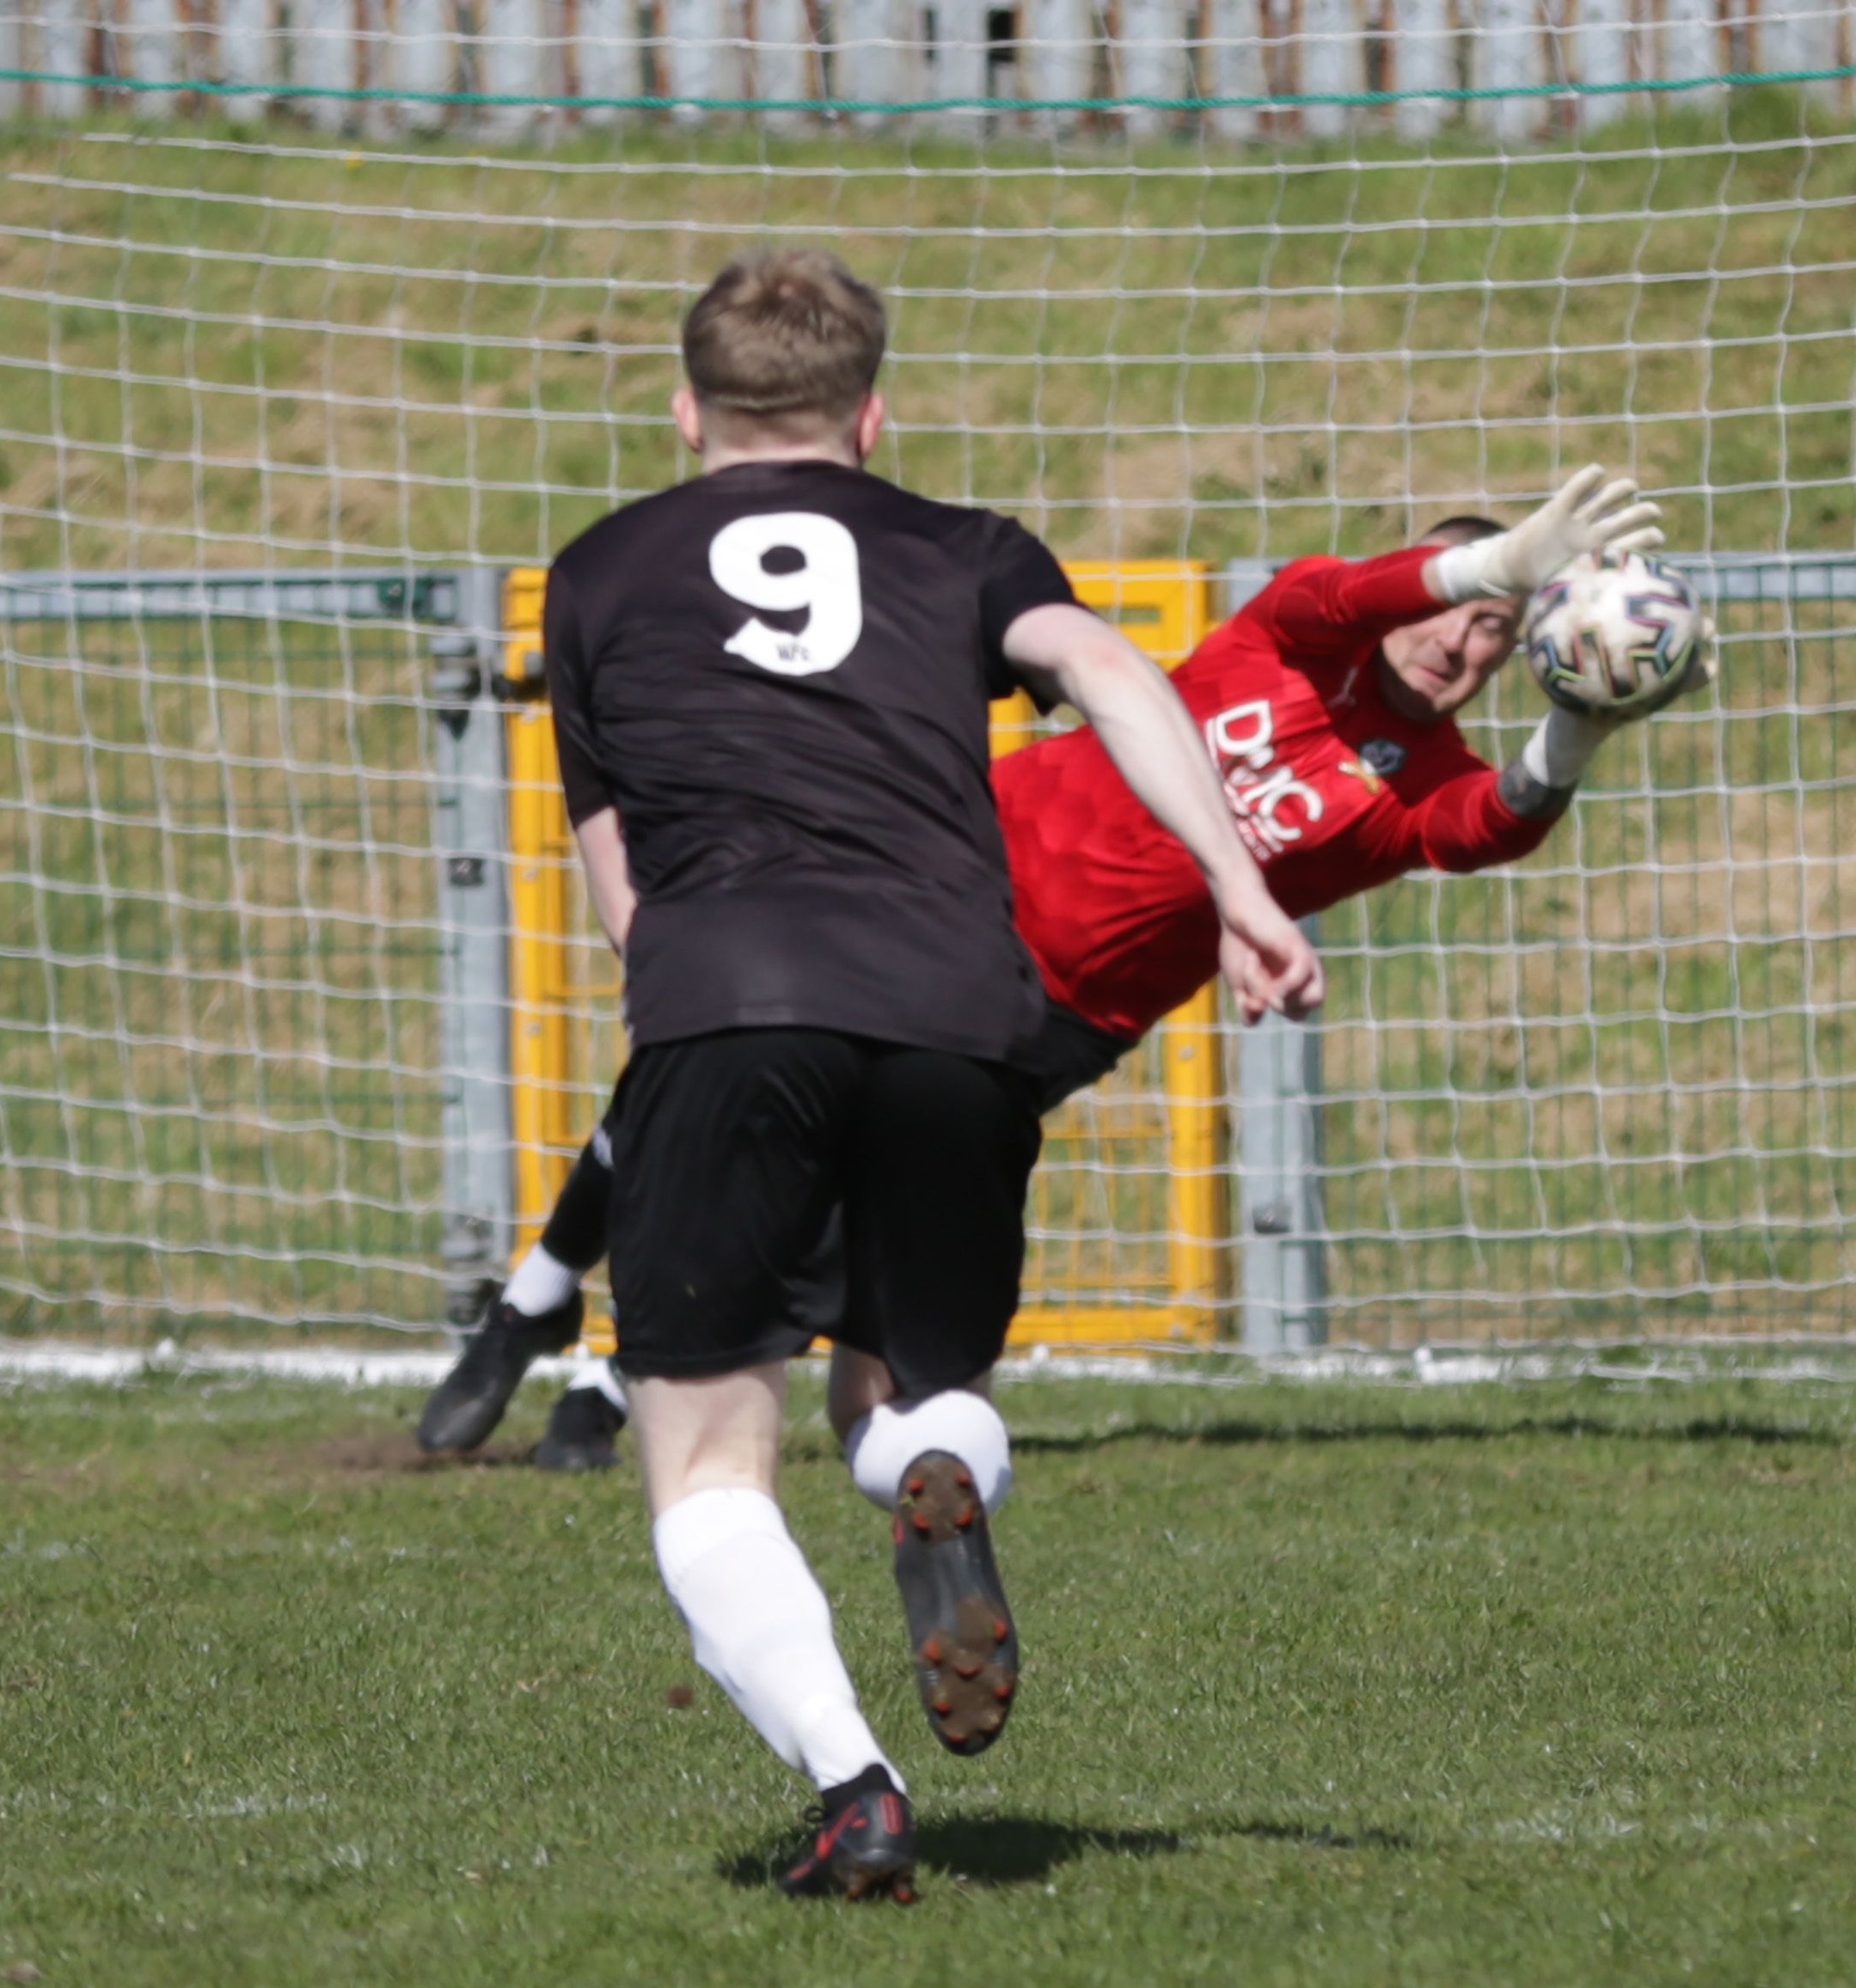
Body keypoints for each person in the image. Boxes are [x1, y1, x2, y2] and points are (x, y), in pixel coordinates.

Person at [537, 245, 1326, 1904]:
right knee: (904, 1379)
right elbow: (1111, 669)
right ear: (871, 416)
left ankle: (856, 1789)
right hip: (960, 1005)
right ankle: (929, 1471)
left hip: (732, 994)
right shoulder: (964, 549)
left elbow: (617, 871)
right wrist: (1243, 890)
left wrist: (693, 999)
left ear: (688, 408)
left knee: (702, 1460)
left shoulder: (599, 574)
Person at [428, 494, 1710, 1477]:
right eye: (1458, 612)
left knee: (832, 1190)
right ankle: (541, 1315)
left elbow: (1494, 822)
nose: (1467, 643)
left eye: (1498, 633)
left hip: (1058, 1013)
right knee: (694, 1078)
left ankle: (599, 1354)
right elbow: (1353, 585)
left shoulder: (1412, 785)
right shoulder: (1290, 630)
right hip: (944, 879)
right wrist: (1495, 560)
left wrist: (1581, 726)